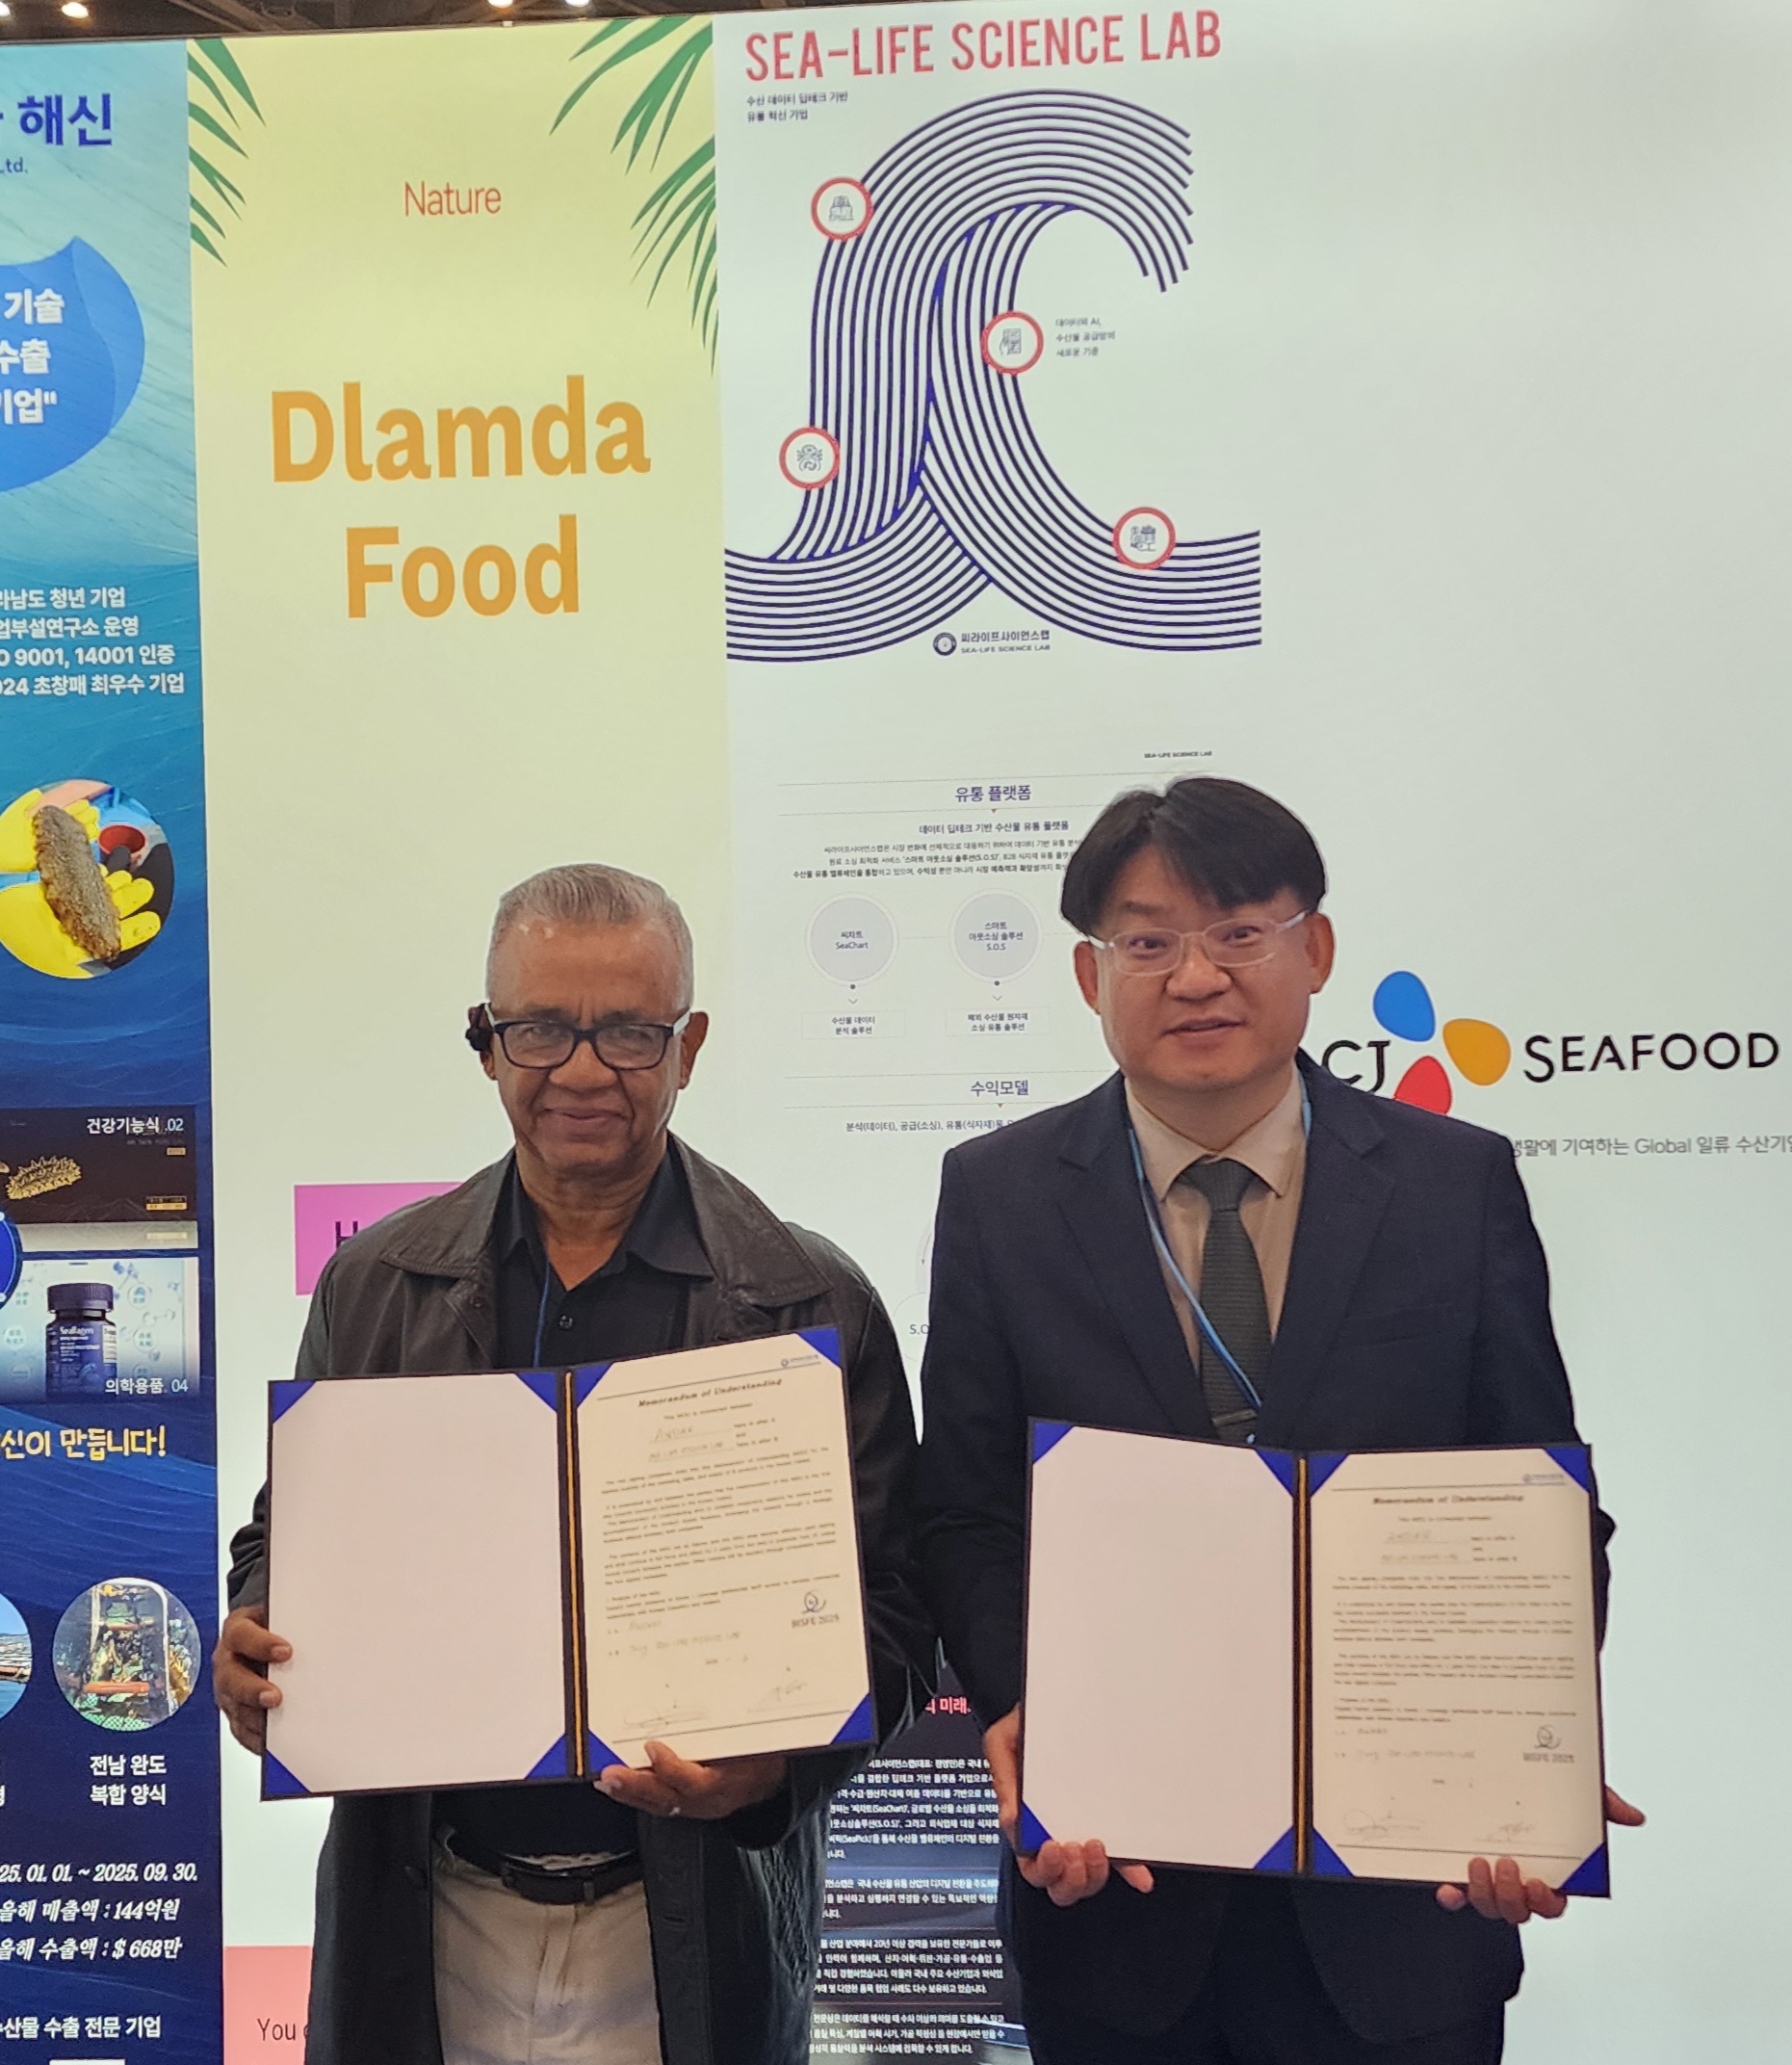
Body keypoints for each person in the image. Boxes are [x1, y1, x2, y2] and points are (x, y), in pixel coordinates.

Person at [915, 778, 1641, 2065]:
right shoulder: (999, 1196)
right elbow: (968, 1512)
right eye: (1147, 941)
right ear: (1089, 976)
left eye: (1239, 931)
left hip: (1404, 1907)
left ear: (1315, 949)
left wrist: (1523, 1753)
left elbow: (1538, 1503)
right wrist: (1031, 1707)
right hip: (1119, 1893)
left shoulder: (1454, 1185)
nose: (1195, 976)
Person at [214, 864, 932, 2065]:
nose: (583, 1070)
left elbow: (898, 1613)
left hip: (687, 1926)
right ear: (486, 1043)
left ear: (689, 1045)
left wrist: (770, 1769)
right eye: (541, 1028)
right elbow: (283, 1538)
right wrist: (257, 1631)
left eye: (630, 1031)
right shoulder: (375, 1283)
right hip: (429, 1906)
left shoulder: (808, 1300)